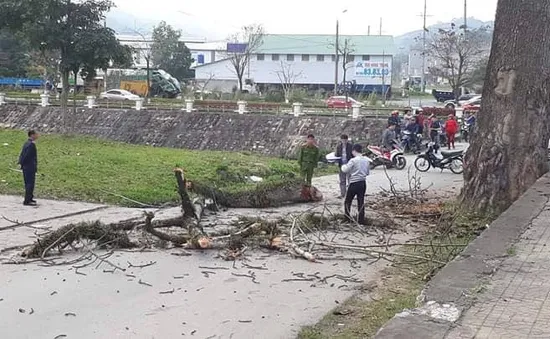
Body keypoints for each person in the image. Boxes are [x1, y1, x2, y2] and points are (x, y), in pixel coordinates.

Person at [342, 144, 370, 225]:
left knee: (348, 201)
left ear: (354, 151)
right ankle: (361, 220)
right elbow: (367, 173)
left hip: (354, 182)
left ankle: (347, 217)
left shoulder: (353, 160)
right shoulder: (366, 160)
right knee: (361, 201)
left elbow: (345, 170)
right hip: (363, 182)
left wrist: (343, 166)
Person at [18, 130, 39, 206]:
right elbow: (26, 156)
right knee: (30, 183)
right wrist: (23, 163)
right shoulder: (31, 145)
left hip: (26, 167)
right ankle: (27, 200)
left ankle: (30, 198)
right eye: (36, 134)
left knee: (29, 183)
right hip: (29, 167)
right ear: (32, 135)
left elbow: (22, 154)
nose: (37, 136)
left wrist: (20, 163)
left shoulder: (27, 143)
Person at [335, 134, 353, 198]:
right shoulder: (339, 147)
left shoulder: (350, 146)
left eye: (345, 140)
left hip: (349, 165)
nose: (344, 141)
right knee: (342, 180)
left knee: (350, 179)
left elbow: (353, 155)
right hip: (342, 164)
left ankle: (350, 194)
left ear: (347, 140)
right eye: (342, 140)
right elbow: (336, 155)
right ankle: (343, 194)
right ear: (341, 140)